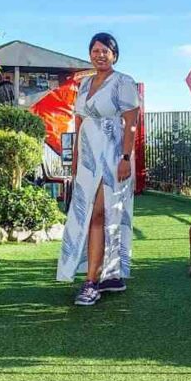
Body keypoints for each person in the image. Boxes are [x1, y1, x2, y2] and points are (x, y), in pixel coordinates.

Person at [56, 33, 140, 305]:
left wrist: (126, 157)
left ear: (114, 55)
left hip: (113, 155)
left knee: (99, 215)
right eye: (95, 50)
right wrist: (76, 159)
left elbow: (131, 123)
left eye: (105, 50)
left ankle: (91, 281)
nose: (100, 55)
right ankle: (110, 276)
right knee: (84, 215)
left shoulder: (124, 82)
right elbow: (79, 123)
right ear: (90, 54)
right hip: (88, 159)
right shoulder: (83, 85)